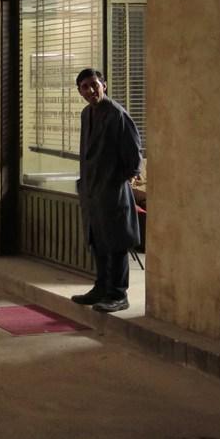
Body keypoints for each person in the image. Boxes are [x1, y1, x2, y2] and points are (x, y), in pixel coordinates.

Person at [71, 67, 142, 313]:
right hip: (91, 190)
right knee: (97, 240)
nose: (90, 90)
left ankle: (118, 294)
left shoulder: (117, 114)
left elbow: (133, 157)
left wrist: (115, 181)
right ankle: (101, 288)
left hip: (112, 190)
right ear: (79, 92)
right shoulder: (86, 114)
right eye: (84, 87)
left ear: (104, 84)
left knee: (116, 241)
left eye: (94, 84)